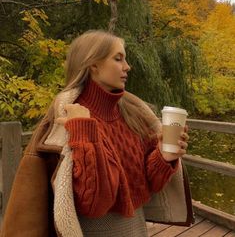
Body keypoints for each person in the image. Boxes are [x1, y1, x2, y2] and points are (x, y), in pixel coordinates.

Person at [0, 30, 194, 237]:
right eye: (118, 59)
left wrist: (165, 158)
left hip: (136, 228)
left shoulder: (135, 113)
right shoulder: (69, 117)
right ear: (93, 64)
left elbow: (151, 183)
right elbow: (94, 204)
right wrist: (84, 131)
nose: (127, 67)